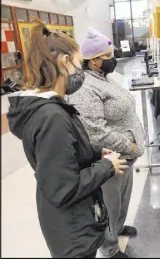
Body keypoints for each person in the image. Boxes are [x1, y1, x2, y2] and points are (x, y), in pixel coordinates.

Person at [6, 19, 129, 258]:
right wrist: (106, 166)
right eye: (79, 63)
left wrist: (95, 153)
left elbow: (64, 155)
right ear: (65, 62)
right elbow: (64, 188)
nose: (80, 70)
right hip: (71, 233)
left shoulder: (50, 109)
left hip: (70, 223)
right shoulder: (51, 117)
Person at [66, 27, 145, 258]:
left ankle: (118, 229)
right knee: (109, 207)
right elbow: (95, 133)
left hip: (126, 159)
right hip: (112, 159)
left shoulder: (103, 78)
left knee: (121, 202)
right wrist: (129, 145)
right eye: (107, 57)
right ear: (92, 61)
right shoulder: (85, 88)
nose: (113, 60)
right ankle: (109, 249)